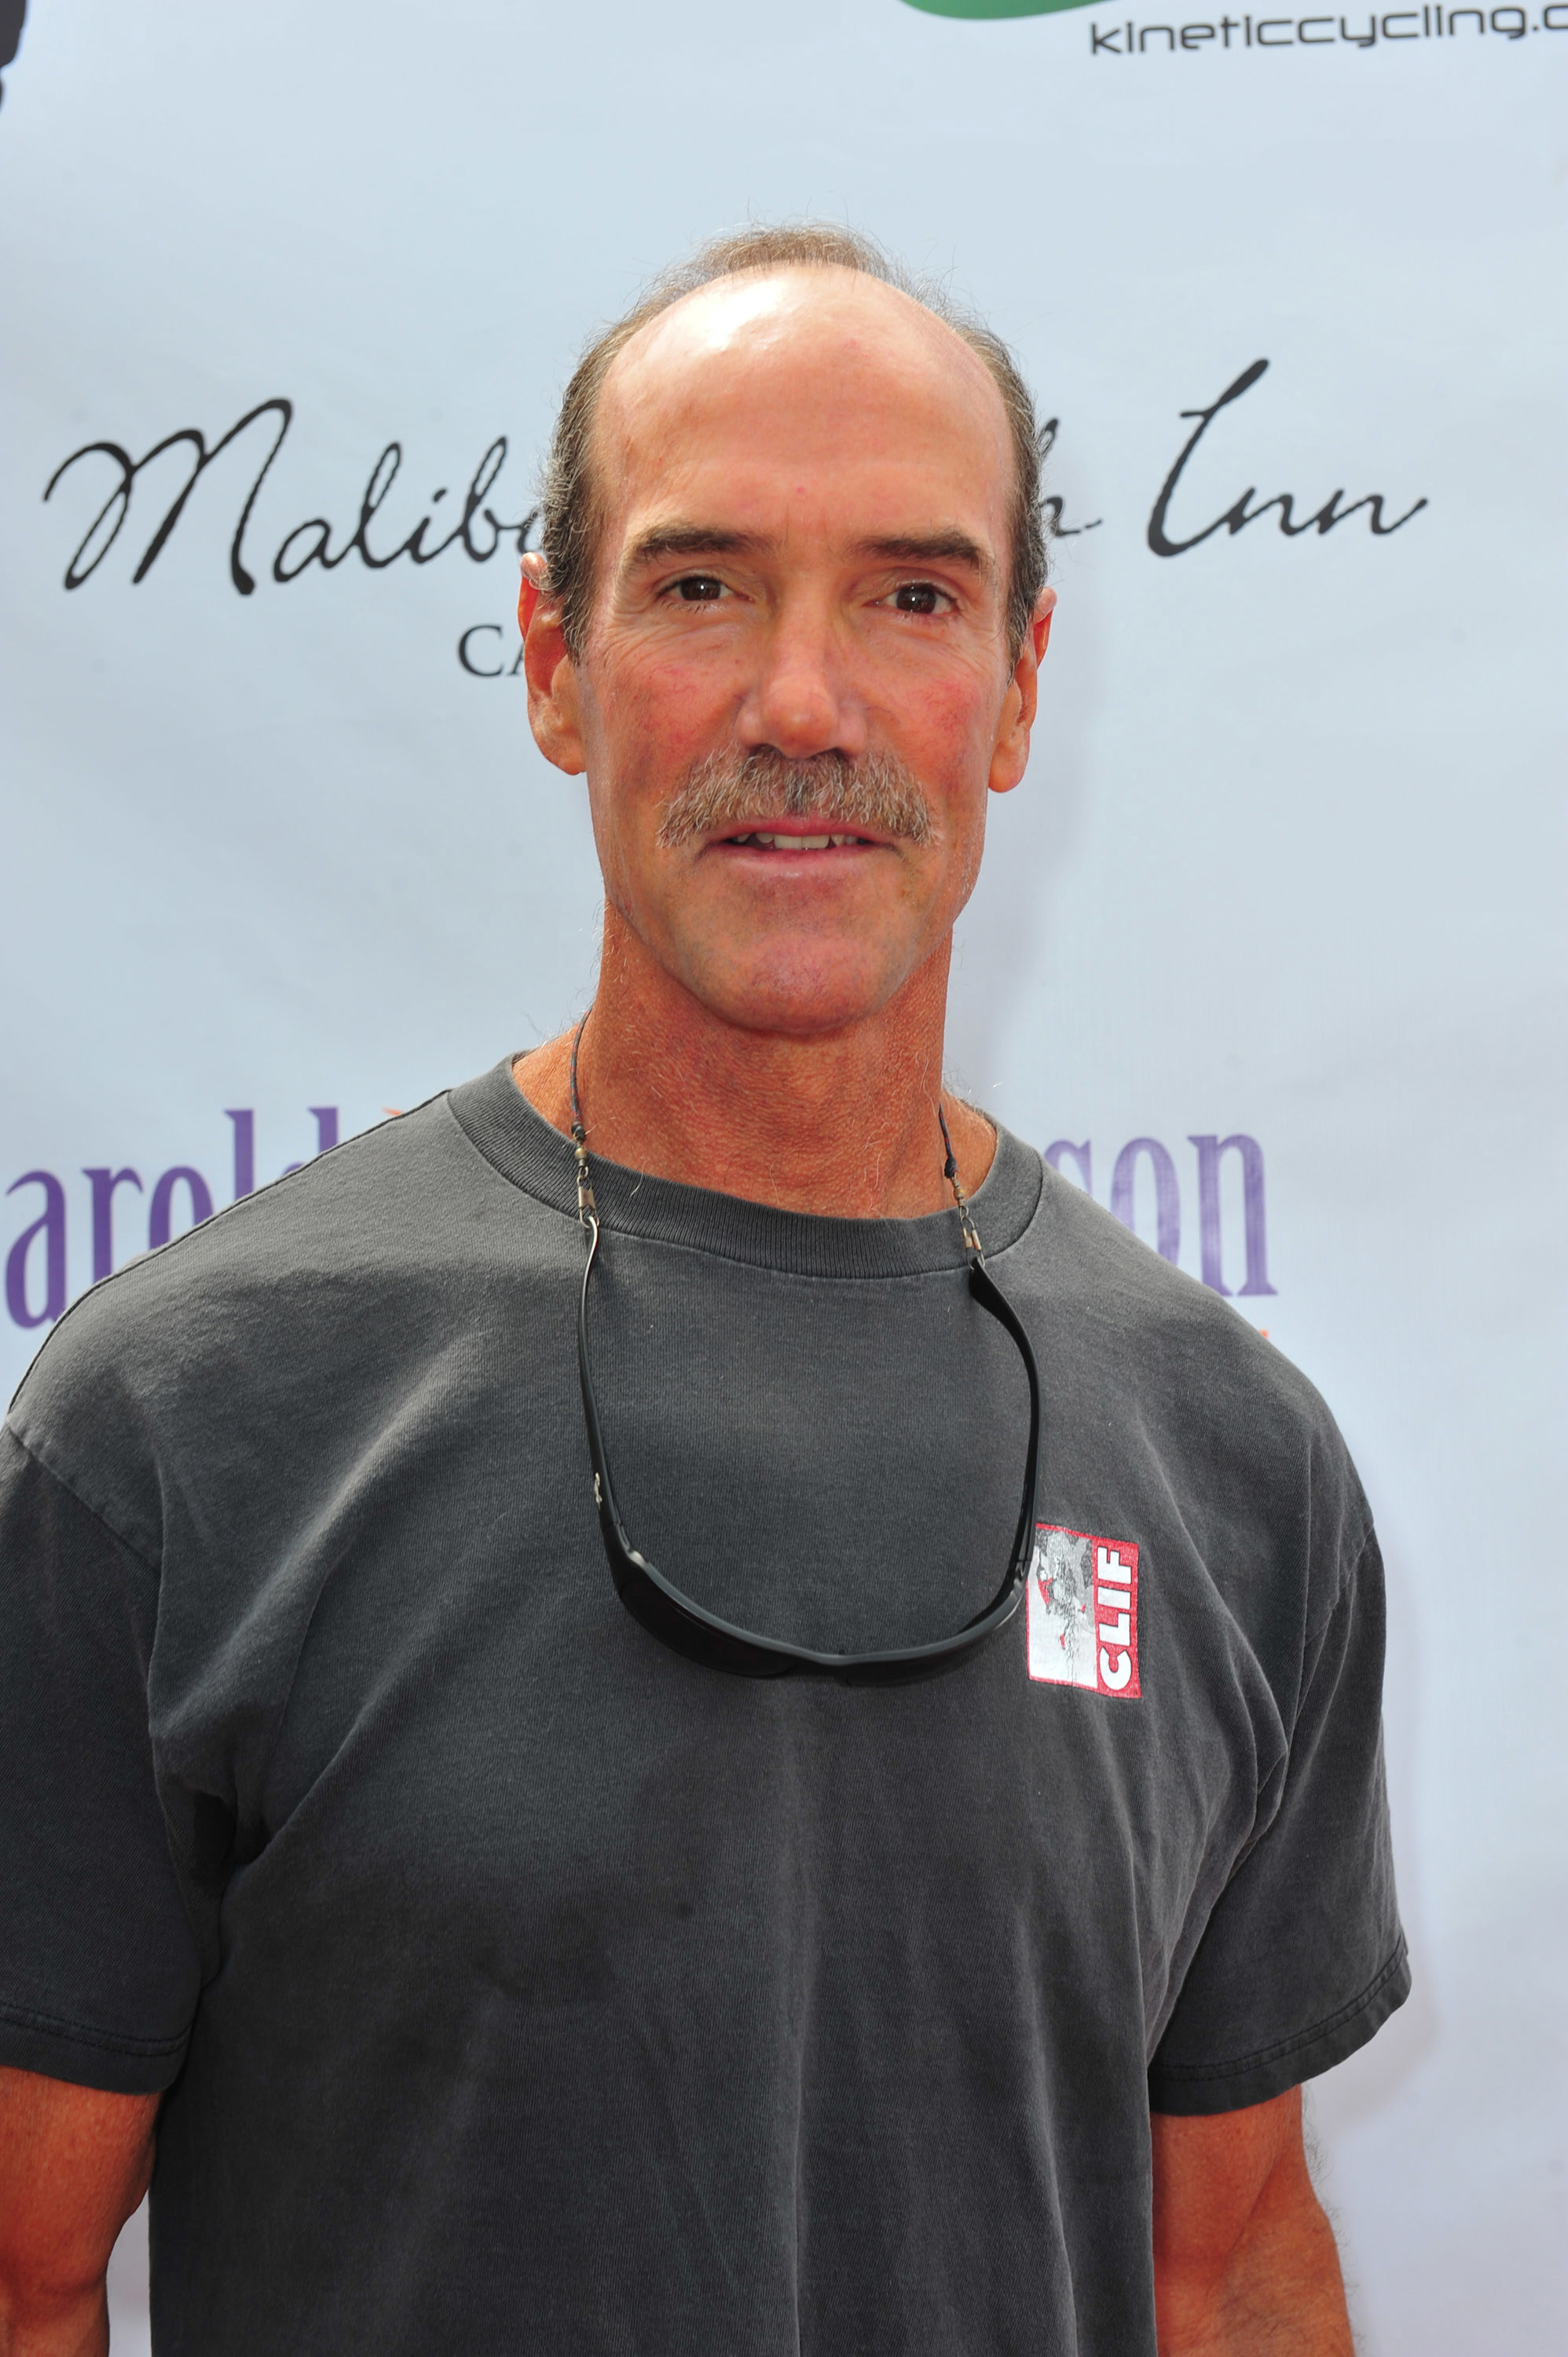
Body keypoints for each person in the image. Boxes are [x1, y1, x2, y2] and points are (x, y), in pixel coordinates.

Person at [0, 224, 1406, 2356]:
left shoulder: (1229, 1461)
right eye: (701, 585)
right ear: (555, 665)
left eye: (910, 595)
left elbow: (1217, 2266)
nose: (803, 705)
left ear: (1020, 685)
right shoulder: (183, 1425)